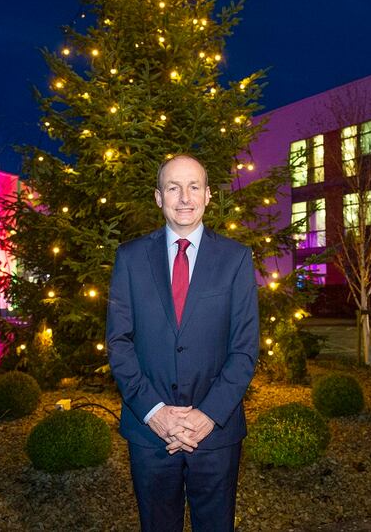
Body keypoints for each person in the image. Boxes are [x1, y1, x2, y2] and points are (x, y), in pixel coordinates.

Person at [106, 154, 259, 531]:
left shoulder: (236, 259)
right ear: (159, 197)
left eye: (194, 187)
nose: (184, 197)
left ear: (208, 196)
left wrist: (206, 415)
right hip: (149, 431)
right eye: (173, 187)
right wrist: (155, 412)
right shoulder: (129, 257)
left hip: (216, 432)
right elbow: (119, 342)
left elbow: (244, 349)